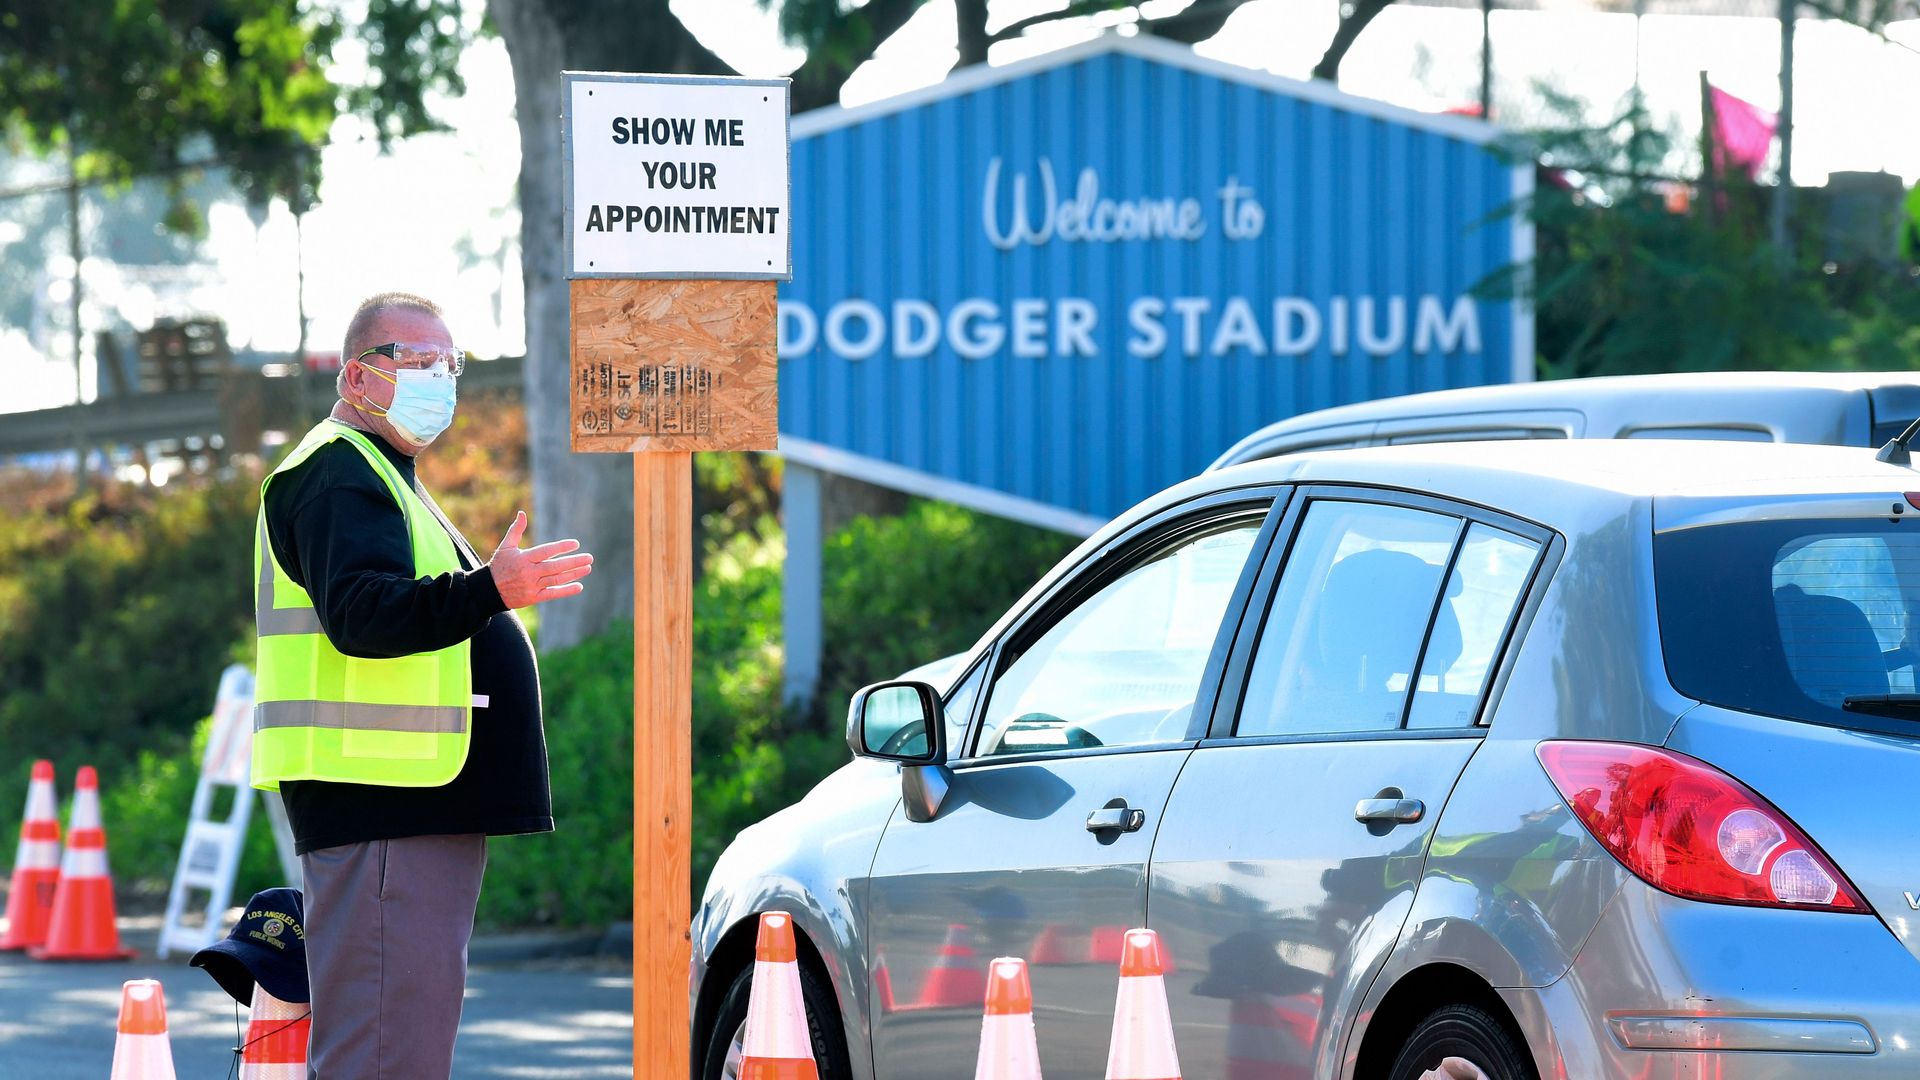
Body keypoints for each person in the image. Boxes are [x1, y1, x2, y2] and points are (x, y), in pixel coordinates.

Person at [250, 291, 593, 1077]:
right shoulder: (339, 474)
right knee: (383, 1051)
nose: (440, 376)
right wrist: (488, 593)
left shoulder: (381, 475)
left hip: (405, 802)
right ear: (357, 378)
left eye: (451, 363)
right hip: (384, 805)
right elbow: (363, 614)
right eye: (416, 360)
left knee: (399, 1042)